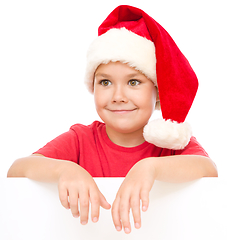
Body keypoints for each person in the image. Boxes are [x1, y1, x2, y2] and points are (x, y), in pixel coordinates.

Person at [7, 5, 217, 234]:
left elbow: (208, 169)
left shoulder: (169, 145)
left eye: (133, 82)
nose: (118, 97)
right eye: (105, 82)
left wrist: (150, 168)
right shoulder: (80, 140)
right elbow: (17, 169)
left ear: (156, 90)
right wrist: (64, 170)